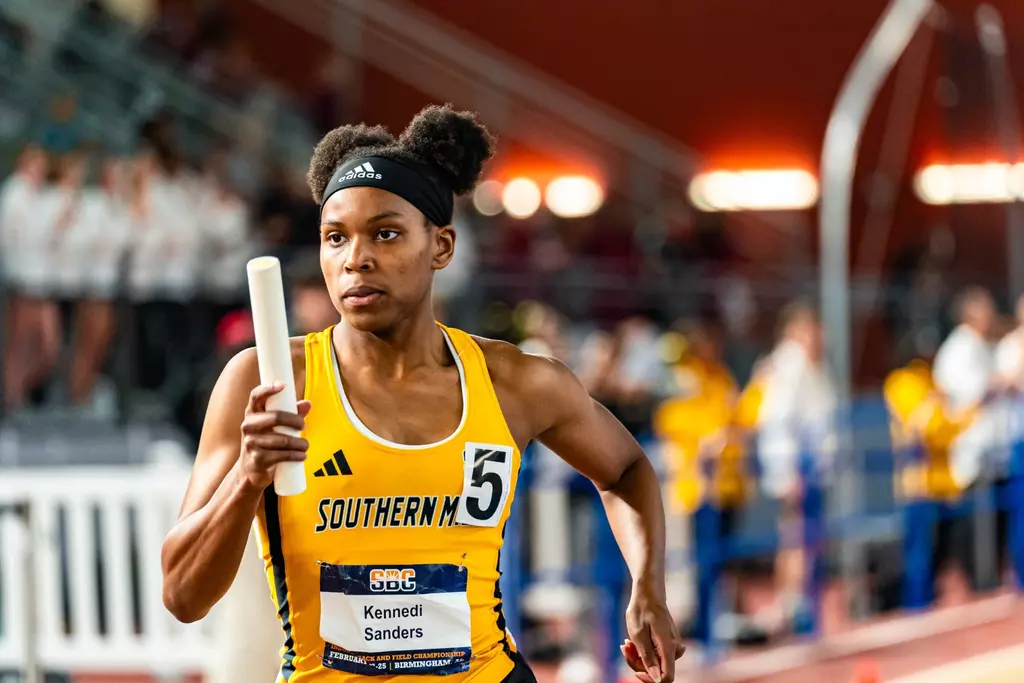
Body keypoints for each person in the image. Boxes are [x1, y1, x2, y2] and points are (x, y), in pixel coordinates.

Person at [161, 104, 684, 683]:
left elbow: (625, 469)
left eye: (385, 233)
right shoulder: (268, 381)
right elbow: (182, 595)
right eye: (335, 238)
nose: (356, 259)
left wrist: (647, 586)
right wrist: (246, 477)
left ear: (441, 247)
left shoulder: (514, 383)